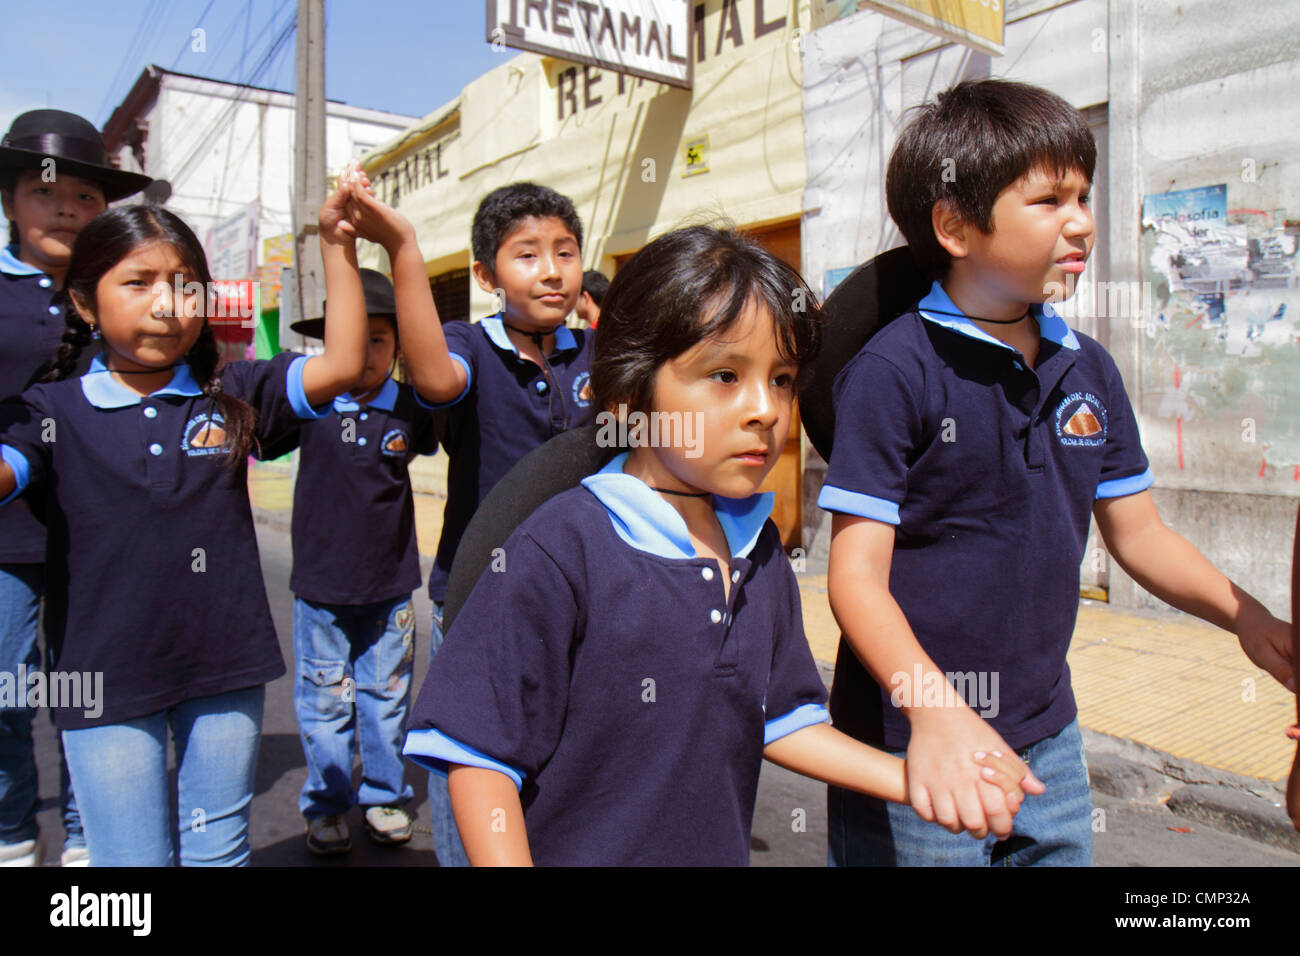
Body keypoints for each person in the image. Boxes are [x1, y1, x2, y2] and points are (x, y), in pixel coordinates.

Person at [402, 225, 1040, 866]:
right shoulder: (562, 546)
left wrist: (916, 779)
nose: (766, 409)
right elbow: (481, 758)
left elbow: (783, 719)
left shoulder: (758, 550)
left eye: (784, 379)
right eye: (726, 375)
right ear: (631, 393)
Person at [818, 79, 1293, 866]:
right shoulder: (894, 372)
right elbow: (855, 579)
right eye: (1048, 201)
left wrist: (1247, 618)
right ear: (956, 225)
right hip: (916, 740)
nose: (1080, 223)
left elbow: (1139, 534)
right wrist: (937, 715)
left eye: (1084, 195)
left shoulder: (1088, 369)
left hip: (1050, 735)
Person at [0, 184, 368, 865]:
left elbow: (344, 362)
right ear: (84, 303)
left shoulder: (234, 395)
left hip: (226, 669)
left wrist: (338, 244)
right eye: (138, 282)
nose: (168, 304)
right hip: (103, 681)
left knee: (218, 855)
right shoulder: (51, 409)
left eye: (186, 285)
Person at [346, 180, 595, 865]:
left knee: (564, 758)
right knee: (474, 759)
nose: (551, 269)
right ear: (486, 275)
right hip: (480, 591)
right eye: (527, 255)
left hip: (585, 597)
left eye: (565, 252)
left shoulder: (598, 352)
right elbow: (433, 380)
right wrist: (403, 246)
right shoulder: (466, 345)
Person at [0, 108, 151, 867]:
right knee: (4, 688)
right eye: (45, 191)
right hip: (7, 527)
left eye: (88, 198)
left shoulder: (125, 293)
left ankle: (92, 832)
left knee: (89, 687)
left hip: (102, 530)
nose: (68, 207)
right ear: (9, 203)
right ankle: (13, 825)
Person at [283, 266, 441, 855]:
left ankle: (382, 796)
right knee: (325, 702)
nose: (367, 350)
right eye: (353, 336)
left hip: (391, 589)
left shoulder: (411, 408)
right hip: (321, 590)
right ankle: (325, 806)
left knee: (384, 698)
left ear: (399, 344)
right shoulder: (308, 402)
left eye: (380, 338)